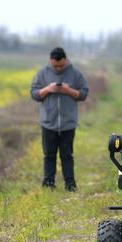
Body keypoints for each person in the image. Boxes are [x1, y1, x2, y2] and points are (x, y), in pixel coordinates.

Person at [30, 47, 89, 192]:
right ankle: (48, 184)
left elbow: (83, 94)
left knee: (67, 155)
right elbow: (34, 94)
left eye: (61, 66)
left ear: (66, 60)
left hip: (68, 124)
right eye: (55, 66)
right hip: (48, 123)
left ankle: (70, 185)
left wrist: (69, 91)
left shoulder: (75, 74)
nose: (57, 68)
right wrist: (47, 89)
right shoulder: (42, 73)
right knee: (49, 155)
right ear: (50, 61)